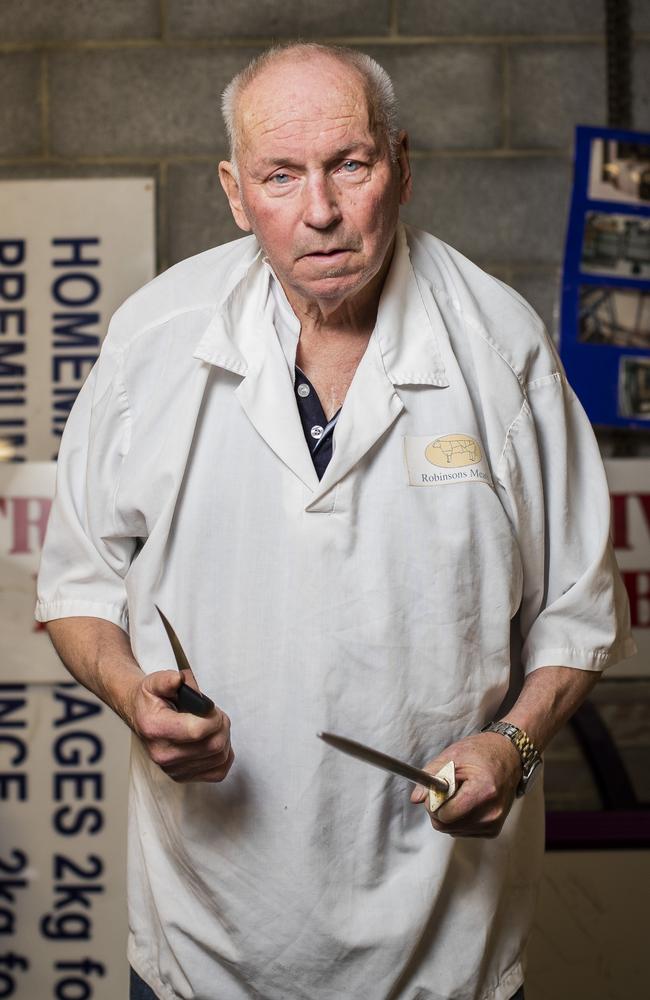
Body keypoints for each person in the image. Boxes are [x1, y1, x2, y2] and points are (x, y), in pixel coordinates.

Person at [36, 42, 634, 1000]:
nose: (320, 210)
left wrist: (512, 746)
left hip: (447, 950)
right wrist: (127, 689)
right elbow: (75, 588)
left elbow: (578, 611)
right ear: (236, 193)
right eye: (281, 175)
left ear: (401, 164)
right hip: (201, 948)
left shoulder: (499, 345)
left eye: (349, 165)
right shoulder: (153, 339)